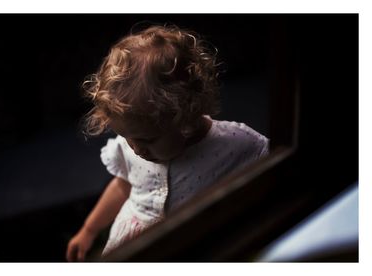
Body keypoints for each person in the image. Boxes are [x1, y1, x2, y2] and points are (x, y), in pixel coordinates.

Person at [66, 24, 269, 262]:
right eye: (128, 136)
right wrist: (89, 230)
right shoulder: (133, 142)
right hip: (134, 244)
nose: (135, 148)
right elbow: (123, 185)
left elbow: (274, 160)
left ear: (185, 117)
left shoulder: (235, 143)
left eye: (148, 139)